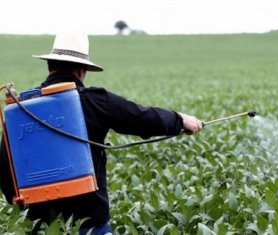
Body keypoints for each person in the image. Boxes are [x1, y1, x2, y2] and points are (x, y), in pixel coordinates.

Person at [0, 34, 203, 234]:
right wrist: (180, 120)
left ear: (50, 66)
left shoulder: (20, 110)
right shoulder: (96, 101)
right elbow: (143, 118)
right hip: (90, 224)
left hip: (40, 226)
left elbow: (5, 172)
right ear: (81, 70)